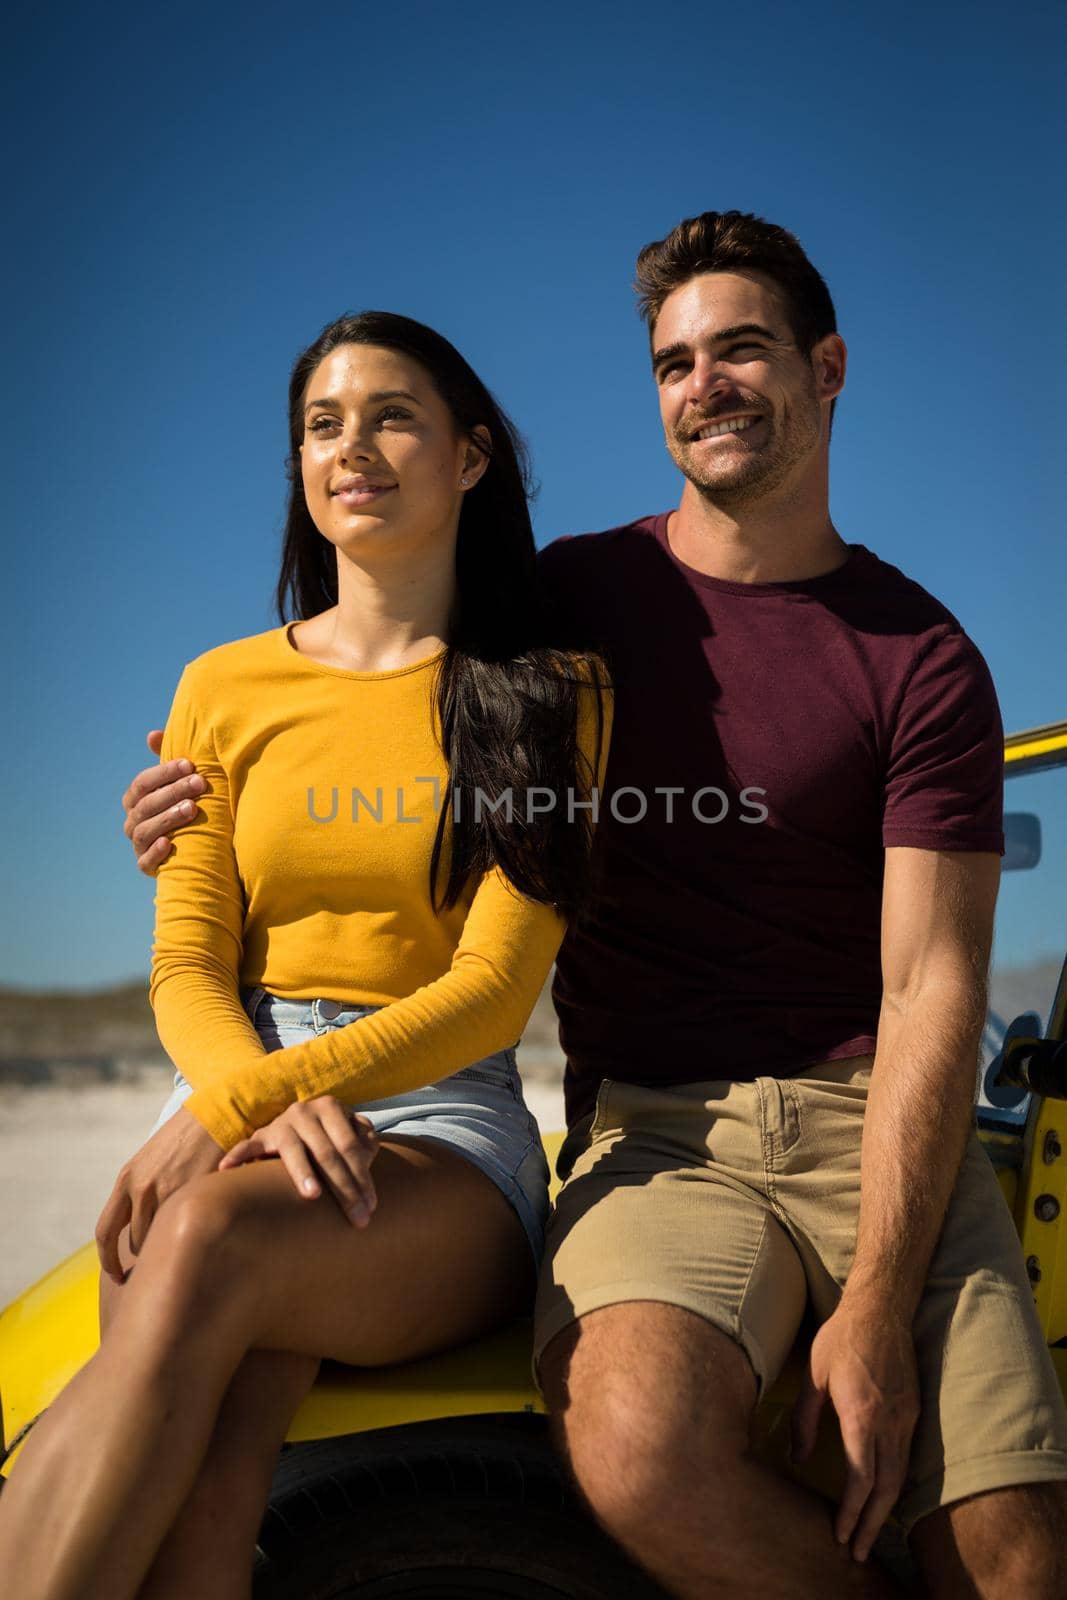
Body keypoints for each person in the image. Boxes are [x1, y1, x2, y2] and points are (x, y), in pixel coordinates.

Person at [121, 213, 1066, 1599]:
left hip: (876, 1117)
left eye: (743, 349)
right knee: (630, 1448)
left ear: (830, 367)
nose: (707, 386)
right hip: (655, 1128)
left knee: (1013, 1557)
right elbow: (351, 705)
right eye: (677, 363)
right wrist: (183, 813)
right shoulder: (569, 603)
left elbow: (930, 988)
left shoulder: (922, 661)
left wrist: (874, 1304)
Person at [0, 310, 610, 1600]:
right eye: (322, 426)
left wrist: (244, 1107)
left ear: (472, 458)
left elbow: (495, 992)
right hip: (229, 1093)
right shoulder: (219, 688)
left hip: (440, 1123)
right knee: (218, 1457)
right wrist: (238, 1099)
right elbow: (186, 969)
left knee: (204, 1237)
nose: (354, 449)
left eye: (394, 416)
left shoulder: (554, 692)